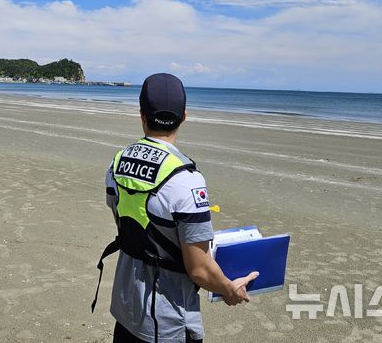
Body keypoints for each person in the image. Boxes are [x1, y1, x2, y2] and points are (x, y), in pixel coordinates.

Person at [92, 73, 258, 343]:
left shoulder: (117, 164)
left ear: (142, 114)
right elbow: (199, 269)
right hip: (167, 322)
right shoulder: (186, 180)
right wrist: (229, 289)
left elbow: (129, 229)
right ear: (183, 117)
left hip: (126, 309)